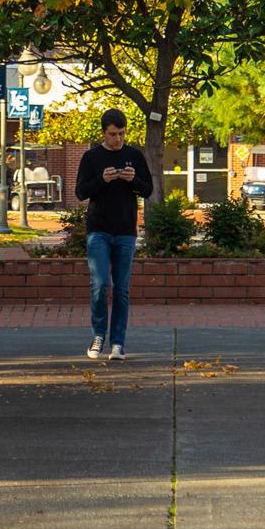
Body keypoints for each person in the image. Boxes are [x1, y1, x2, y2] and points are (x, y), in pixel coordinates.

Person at [72, 109, 154, 361]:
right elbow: (80, 192)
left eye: (121, 134)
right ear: (103, 133)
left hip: (126, 230)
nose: (118, 139)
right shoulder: (91, 157)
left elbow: (148, 190)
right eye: (113, 134)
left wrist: (133, 180)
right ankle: (99, 336)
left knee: (121, 289)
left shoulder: (134, 155)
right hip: (98, 229)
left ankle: (118, 343)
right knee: (99, 284)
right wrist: (102, 179)